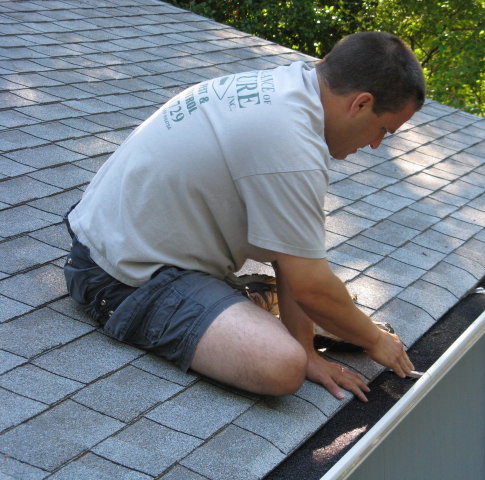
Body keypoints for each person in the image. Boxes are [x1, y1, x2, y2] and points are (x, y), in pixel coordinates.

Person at [63, 32, 426, 402]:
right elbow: (311, 287)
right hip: (122, 280)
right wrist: (374, 339)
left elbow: (293, 255)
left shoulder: (289, 89)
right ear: (361, 104)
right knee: (282, 365)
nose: (377, 144)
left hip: (117, 246)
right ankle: (242, 301)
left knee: (304, 340)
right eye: (384, 129)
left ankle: (241, 302)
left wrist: (310, 352)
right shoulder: (292, 143)